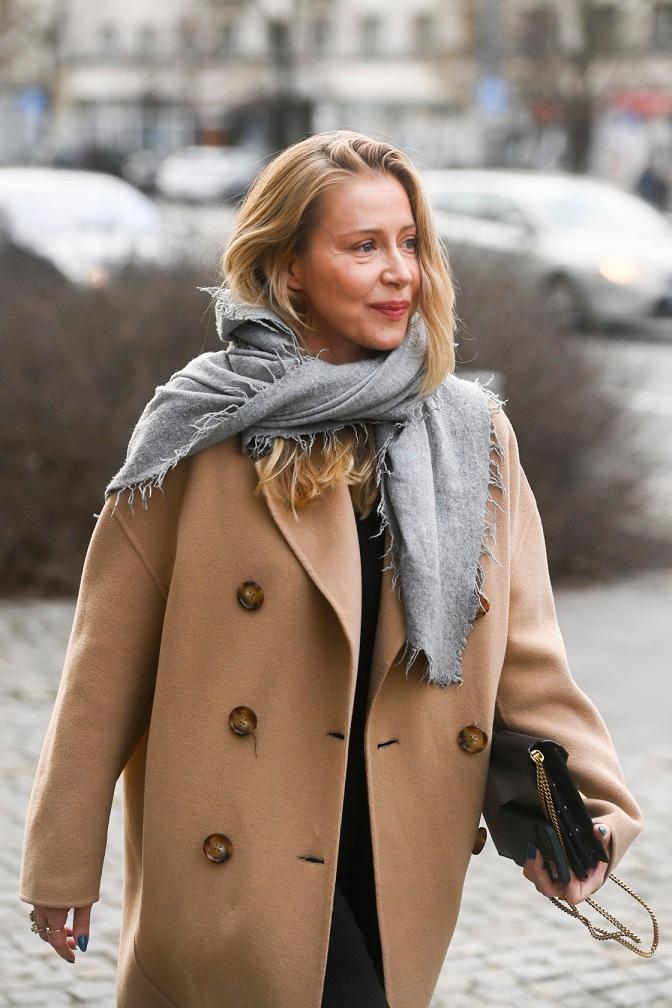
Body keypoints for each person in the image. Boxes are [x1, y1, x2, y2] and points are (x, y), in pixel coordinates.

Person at [19, 130, 643, 1008]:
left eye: (410, 243)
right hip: (241, 842)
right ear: (290, 267)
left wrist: (589, 810)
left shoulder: (470, 434)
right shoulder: (204, 428)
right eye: (363, 246)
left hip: (399, 839)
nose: (399, 273)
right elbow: (104, 665)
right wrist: (62, 860)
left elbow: (526, 653)